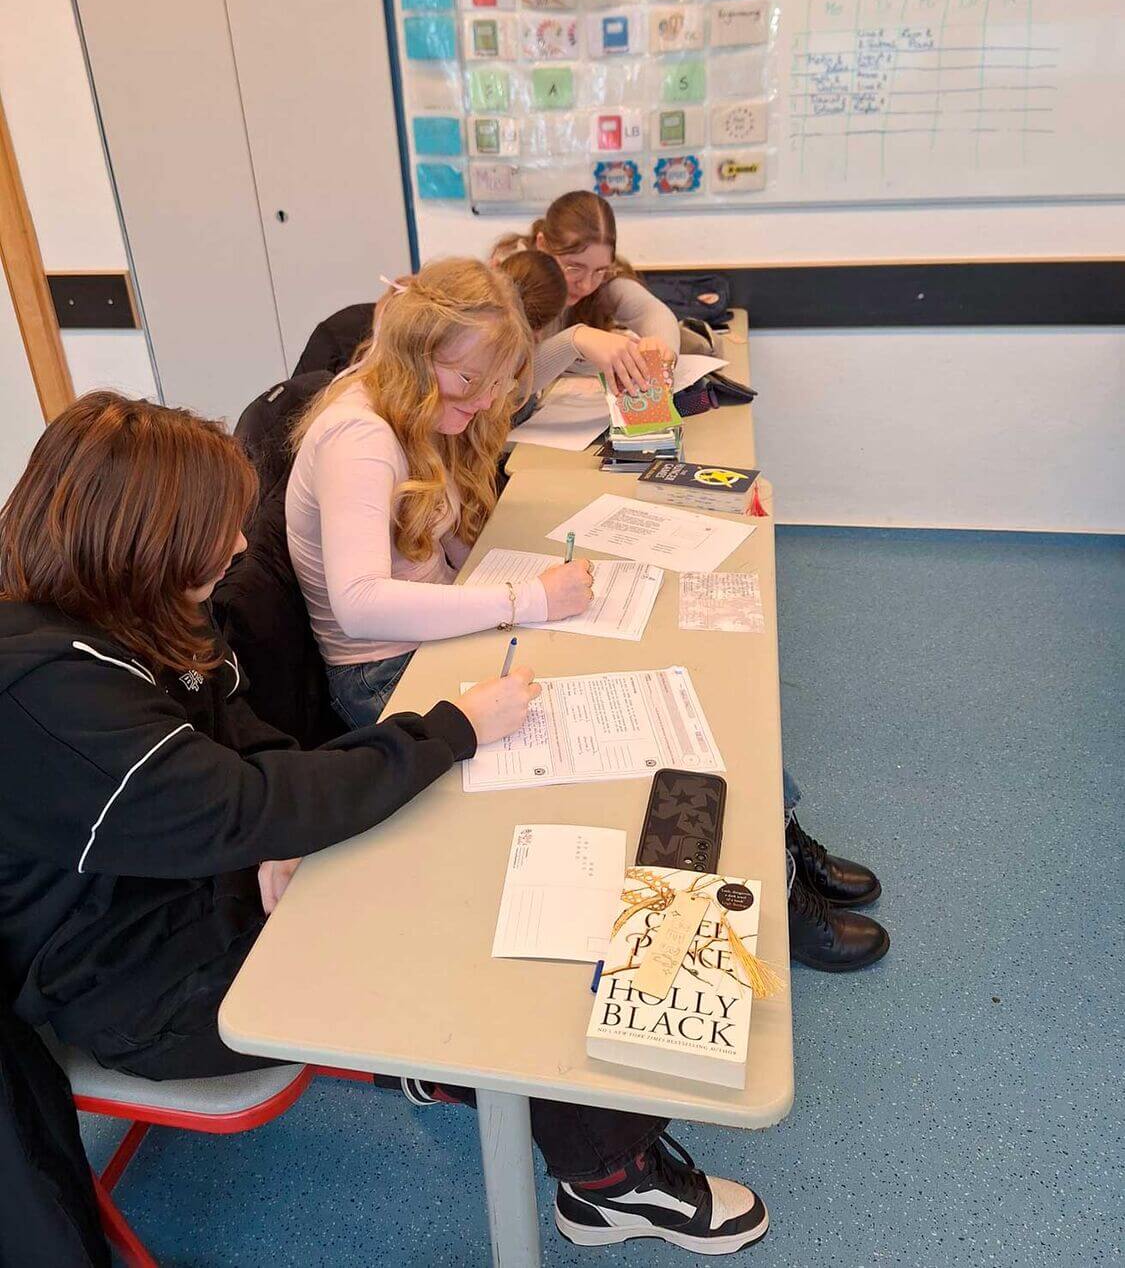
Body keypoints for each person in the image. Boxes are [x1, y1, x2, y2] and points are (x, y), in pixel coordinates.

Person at [0, 392, 771, 1256]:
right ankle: (607, 1180)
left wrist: (278, 836)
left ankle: (481, 1090)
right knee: (475, 943)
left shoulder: (137, 613)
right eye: (217, 531)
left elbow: (241, 737)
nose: (241, 547)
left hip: (200, 891)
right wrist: (447, 732)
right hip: (142, 987)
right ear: (144, 538)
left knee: (459, 857)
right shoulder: (42, 689)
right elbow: (237, 803)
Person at [287, 257, 594, 729]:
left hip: (423, 639)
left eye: (496, 382)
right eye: (471, 380)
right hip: (380, 673)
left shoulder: (416, 406)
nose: (487, 401)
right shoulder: (359, 438)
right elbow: (360, 605)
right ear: (415, 355)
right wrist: (530, 598)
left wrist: (521, 583)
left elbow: (438, 533)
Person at [494, 191, 681, 395]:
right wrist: (575, 340)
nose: (586, 285)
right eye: (574, 268)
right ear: (542, 245)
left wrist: (662, 347)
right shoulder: (511, 283)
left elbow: (650, 311)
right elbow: (508, 384)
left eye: (599, 270)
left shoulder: (604, 280)